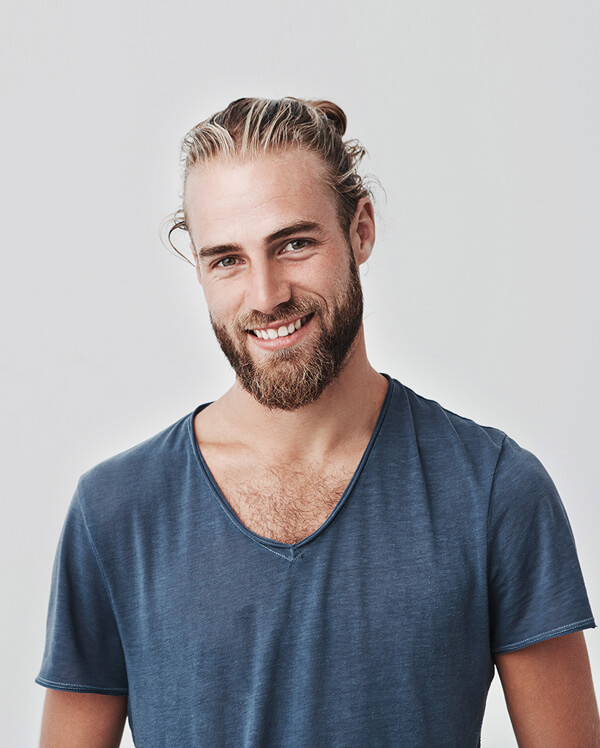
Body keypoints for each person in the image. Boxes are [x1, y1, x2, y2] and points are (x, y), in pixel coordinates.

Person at [36, 97, 599, 747]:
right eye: (227, 259)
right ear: (199, 267)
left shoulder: (494, 490)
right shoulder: (116, 510)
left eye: (294, 244)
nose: (266, 294)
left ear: (361, 230)